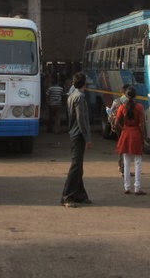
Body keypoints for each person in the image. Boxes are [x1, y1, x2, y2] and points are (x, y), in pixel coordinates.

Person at [60, 71, 92, 208]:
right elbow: (81, 119)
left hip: (74, 133)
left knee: (78, 166)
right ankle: (67, 196)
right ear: (84, 83)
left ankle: (80, 195)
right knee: (76, 166)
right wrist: (87, 137)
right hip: (78, 134)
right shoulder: (80, 97)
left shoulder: (72, 96)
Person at [115, 85, 146, 195]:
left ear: (126, 95)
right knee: (138, 162)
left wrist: (123, 128)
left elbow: (116, 122)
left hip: (126, 134)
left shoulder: (122, 107)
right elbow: (142, 124)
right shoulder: (139, 107)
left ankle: (126, 187)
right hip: (136, 133)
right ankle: (137, 187)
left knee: (126, 162)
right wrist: (143, 137)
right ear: (135, 95)